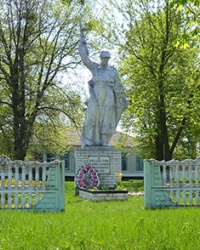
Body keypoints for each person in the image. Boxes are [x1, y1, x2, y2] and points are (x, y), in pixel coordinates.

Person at [78, 29, 129, 147]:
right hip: (96, 95)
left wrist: (123, 98)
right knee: (91, 116)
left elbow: (119, 86)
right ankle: (88, 139)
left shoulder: (113, 71)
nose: (105, 60)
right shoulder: (95, 68)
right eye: (103, 58)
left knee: (107, 118)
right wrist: (82, 41)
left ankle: (104, 140)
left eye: (107, 58)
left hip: (109, 96)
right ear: (100, 58)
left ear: (109, 59)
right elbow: (85, 59)